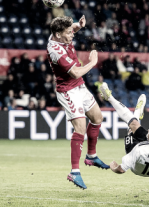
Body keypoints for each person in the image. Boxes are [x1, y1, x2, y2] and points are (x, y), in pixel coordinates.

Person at [46, 15, 109, 190]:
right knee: (80, 128)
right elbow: (75, 73)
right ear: (58, 35)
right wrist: (93, 63)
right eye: (68, 33)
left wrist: (78, 26)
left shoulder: (59, 34)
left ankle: (91, 156)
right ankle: (74, 172)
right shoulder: (56, 50)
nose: (72, 34)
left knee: (97, 118)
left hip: (79, 87)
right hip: (67, 90)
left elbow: (70, 29)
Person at [99, 82, 149, 199]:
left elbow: (121, 170)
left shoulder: (139, 149)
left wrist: (113, 167)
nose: (148, 129)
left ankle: (110, 98)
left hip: (136, 164)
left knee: (131, 128)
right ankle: (130, 109)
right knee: (134, 123)